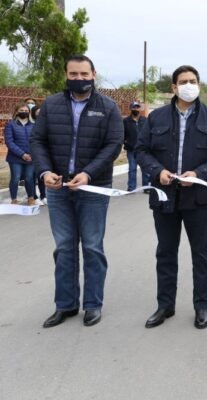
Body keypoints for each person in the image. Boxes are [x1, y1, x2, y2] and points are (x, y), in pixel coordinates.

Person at [136, 65, 207, 330]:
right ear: (174, 87)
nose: (188, 85)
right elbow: (141, 150)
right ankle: (165, 305)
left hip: (199, 195)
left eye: (193, 81)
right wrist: (158, 172)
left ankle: (201, 306)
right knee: (165, 252)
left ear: (199, 85)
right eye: (183, 81)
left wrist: (199, 173)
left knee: (200, 253)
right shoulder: (156, 118)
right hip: (164, 194)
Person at [30, 55, 124, 328]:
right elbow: (38, 140)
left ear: (94, 74)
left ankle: (92, 305)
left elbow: (113, 145)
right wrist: (45, 172)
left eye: (84, 74)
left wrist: (88, 174)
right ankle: (65, 305)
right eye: (73, 74)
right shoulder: (51, 105)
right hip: (58, 188)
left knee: (93, 247)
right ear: (66, 74)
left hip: (93, 188)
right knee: (63, 247)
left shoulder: (107, 107)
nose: (79, 79)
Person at [4, 103, 37, 205]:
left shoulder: (33, 125)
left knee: (29, 178)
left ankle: (31, 198)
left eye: (26, 111)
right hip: (15, 158)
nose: (24, 112)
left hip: (31, 157)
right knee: (16, 178)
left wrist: (32, 154)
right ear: (17, 111)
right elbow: (9, 142)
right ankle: (14, 199)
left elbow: (36, 141)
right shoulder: (10, 125)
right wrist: (22, 154)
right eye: (22, 110)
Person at [123, 101, 149, 192]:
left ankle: (146, 188)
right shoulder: (125, 121)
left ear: (140, 109)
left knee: (145, 169)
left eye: (137, 107)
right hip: (131, 150)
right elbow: (123, 135)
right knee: (132, 169)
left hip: (142, 150)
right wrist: (126, 142)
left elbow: (148, 133)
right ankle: (131, 188)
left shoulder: (145, 120)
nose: (136, 109)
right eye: (134, 107)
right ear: (130, 109)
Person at [30, 104, 47, 205]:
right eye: (37, 113)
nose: (39, 114)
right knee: (31, 177)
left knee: (42, 177)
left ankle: (43, 196)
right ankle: (34, 196)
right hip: (31, 155)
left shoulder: (47, 124)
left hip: (44, 156)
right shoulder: (30, 125)